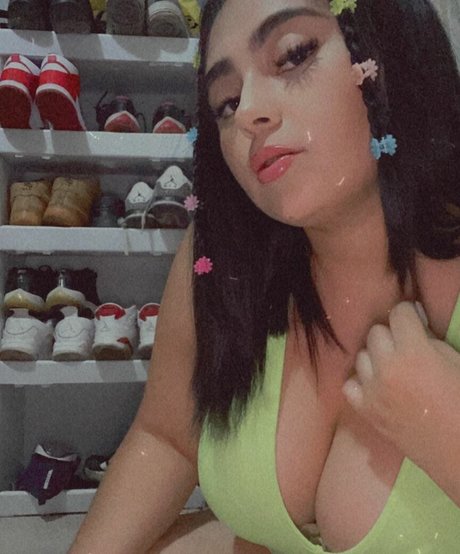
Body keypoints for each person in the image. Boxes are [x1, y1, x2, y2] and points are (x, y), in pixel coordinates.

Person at [69, 0, 460, 552]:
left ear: (388, 46)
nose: (248, 112)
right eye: (225, 103)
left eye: (294, 55)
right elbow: (167, 437)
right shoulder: (218, 260)